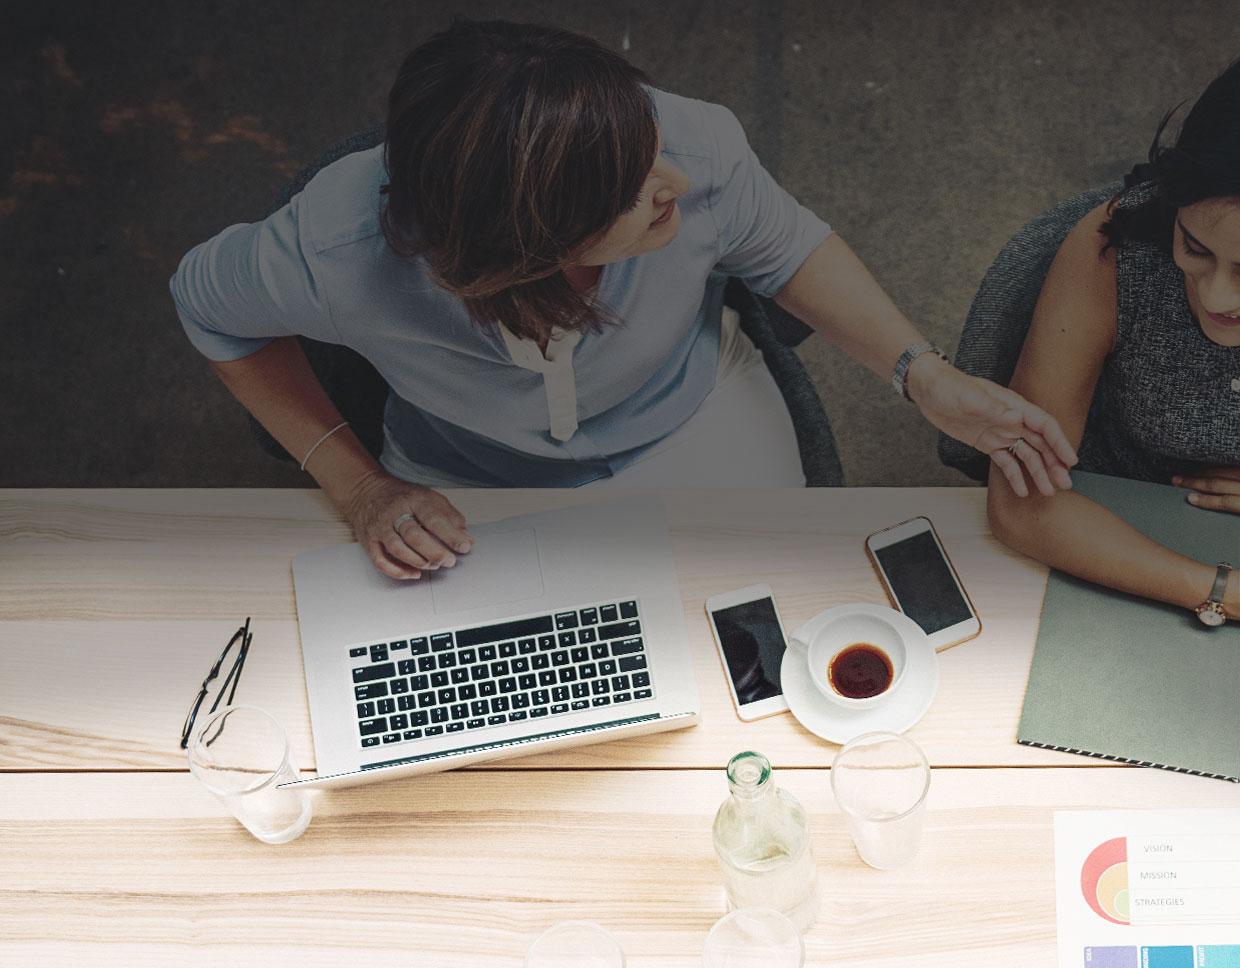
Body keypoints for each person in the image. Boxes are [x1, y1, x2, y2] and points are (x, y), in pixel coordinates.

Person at [170, 19, 1074, 582]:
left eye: (649, 145)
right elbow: (207, 310)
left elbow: (786, 244)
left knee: (780, 610)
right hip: (470, 471)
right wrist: (359, 485)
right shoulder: (331, 249)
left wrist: (923, 374)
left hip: (690, 414)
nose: (675, 178)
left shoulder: (695, 145)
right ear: (522, 247)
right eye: (631, 194)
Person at [986, 58, 1240, 624]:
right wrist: (1220, 590)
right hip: (1106, 518)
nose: (1219, 297)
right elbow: (1021, 504)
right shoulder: (1116, 252)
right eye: (1196, 248)